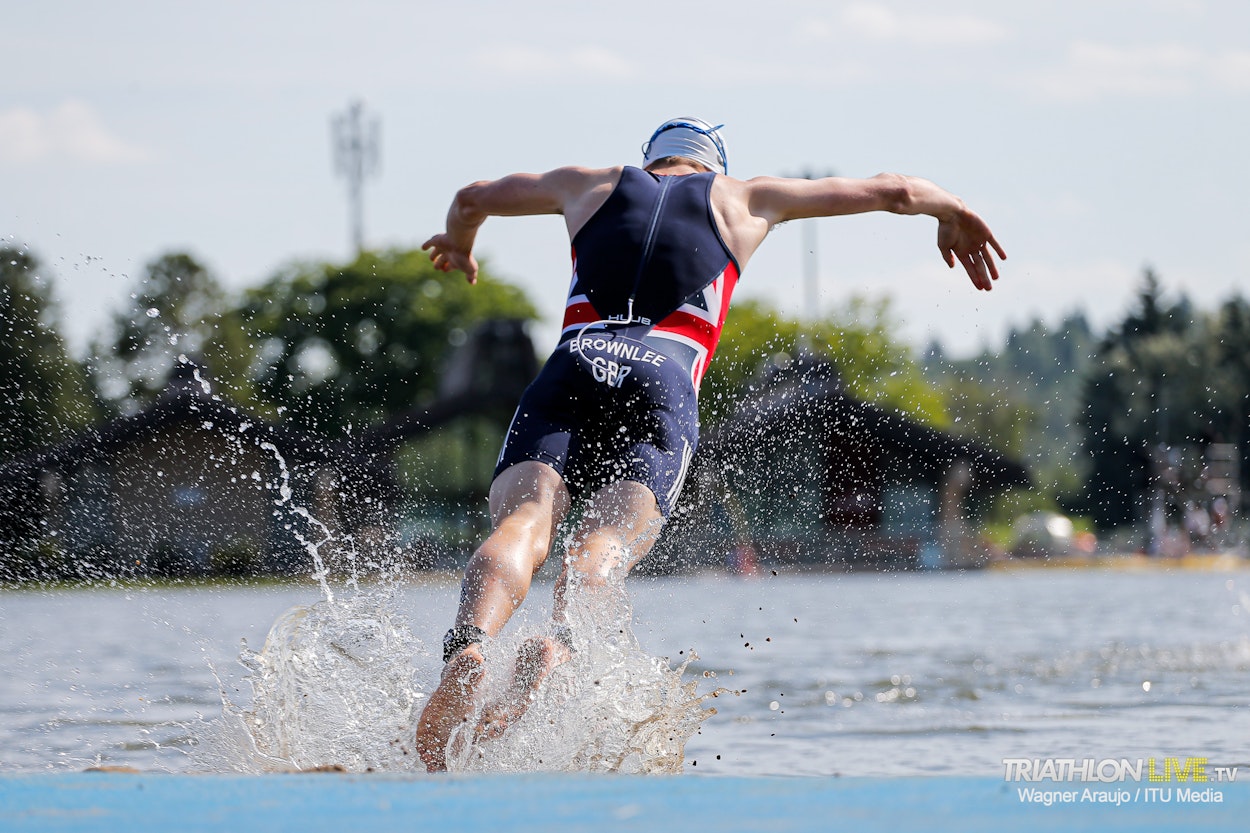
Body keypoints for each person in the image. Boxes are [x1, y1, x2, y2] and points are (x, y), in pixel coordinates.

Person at [415, 117, 1006, 771]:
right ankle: (560, 644)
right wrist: (952, 209)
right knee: (600, 550)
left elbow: (473, 195)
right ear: (713, 166)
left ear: (651, 160)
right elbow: (892, 188)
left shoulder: (588, 185)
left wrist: (458, 241)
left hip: (574, 363)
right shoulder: (745, 198)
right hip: (662, 378)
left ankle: (469, 645)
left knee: (527, 520)